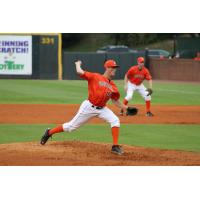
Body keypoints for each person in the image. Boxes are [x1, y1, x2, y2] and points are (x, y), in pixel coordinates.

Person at [40, 59, 128, 155]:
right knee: (70, 127)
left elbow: (115, 100)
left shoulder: (113, 86)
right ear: (107, 68)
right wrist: (78, 64)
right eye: (113, 67)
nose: (115, 69)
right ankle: (49, 132)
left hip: (102, 109)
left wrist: (125, 107)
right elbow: (79, 72)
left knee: (115, 120)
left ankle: (115, 147)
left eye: (115, 68)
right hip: (89, 107)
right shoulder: (95, 77)